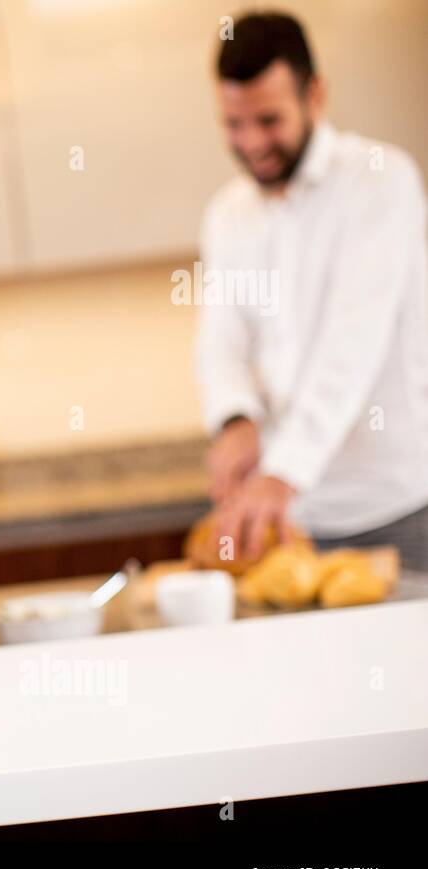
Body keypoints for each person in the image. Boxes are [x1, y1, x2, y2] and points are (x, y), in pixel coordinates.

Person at [196, 11, 428, 570]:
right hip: (296, 518)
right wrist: (235, 419)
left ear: (316, 95)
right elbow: (220, 338)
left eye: (268, 120)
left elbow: (353, 344)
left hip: (399, 506)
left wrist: (282, 471)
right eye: (234, 123)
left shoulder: (380, 180)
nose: (251, 142)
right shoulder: (228, 215)